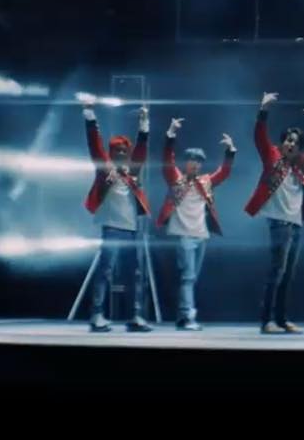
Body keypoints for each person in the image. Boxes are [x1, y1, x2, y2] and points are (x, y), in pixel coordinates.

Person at [243, 92, 304, 334]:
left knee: (288, 274)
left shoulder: (301, 165)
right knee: (277, 272)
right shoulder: (273, 157)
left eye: (295, 142)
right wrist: (263, 110)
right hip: (279, 223)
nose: (291, 144)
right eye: (288, 140)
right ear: (283, 143)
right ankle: (266, 321)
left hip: (295, 223)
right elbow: (260, 138)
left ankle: (281, 319)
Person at [80, 97, 153, 333]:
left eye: (124, 150)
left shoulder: (132, 172)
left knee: (135, 273)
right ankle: (97, 315)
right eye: (117, 151)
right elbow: (95, 144)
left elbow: (142, 149)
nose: (121, 153)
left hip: (131, 229)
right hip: (111, 227)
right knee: (105, 270)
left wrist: (144, 122)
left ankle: (135, 316)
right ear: (111, 153)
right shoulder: (105, 169)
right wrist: (90, 115)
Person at [156, 117, 236, 331]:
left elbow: (224, 173)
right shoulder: (176, 179)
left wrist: (230, 151)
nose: (195, 164)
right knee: (188, 277)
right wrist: (171, 133)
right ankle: (187, 316)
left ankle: (183, 316)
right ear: (186, 163)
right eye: (191, 160)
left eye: (198, 161)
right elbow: (167, 159)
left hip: (201, 235)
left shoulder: (205, 182)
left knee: (191, 278)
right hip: (183, 234)